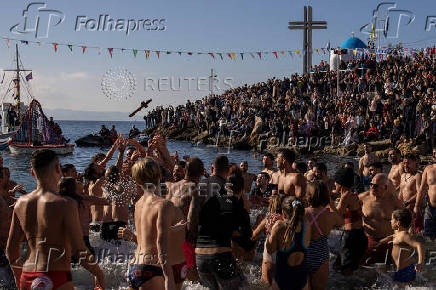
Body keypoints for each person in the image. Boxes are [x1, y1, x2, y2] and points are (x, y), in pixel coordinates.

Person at [6, 149, 105, 289]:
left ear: (32, 172)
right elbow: (79, 250)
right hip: (55, 276)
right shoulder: (65, 203)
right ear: (58, 168)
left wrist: (19, 277)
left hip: (28, 275)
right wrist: (99, 274)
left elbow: (11, 250)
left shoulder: (20, 203)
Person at [129, 157, 182, 290]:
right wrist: (168, 276)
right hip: (152, 270)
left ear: (137, 182)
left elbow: (147, 235)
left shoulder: (137, 204)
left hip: (134, 266)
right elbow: (160, 243)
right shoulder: (164, 205)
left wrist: (172, 229)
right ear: (159, 176)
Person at [195, 173, 251, 289]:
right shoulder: (237, 205)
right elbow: (247, 238)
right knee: (243, 285)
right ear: (242, 190)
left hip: (200, 257)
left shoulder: (210, 201)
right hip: (220, 257)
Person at [265, 196, 311, 290]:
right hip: (302, 281)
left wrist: (270, 231)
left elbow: (270, 250)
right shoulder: (307, 224)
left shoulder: (278, 226)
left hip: (282, 281)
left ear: (283, 212)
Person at [305, 181, 343, 290]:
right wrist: (331, 204)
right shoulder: (330, 216)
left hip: (302, 254)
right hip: (320, 256)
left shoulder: (301, 213)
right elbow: (341, 222)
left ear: (308, 195)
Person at [360, 173, 403, 265]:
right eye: (371, 184)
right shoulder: (363, 197)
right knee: (364, 269)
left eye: (375, 186)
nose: (372, 187)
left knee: (387, 270)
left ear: (385, 187)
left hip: (387, 241)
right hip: (369, 239)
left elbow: (407, 218)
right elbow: (349, 210)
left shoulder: (393, 201)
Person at [332, 167, 367, 275]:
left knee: (344, 269)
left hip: (351, 237)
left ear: (340, 184)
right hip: (359, 233)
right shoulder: (351, 194)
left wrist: (329, 202)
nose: (334, 184)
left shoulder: (346, 196)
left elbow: (337, 216)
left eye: (336, 182)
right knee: (341, 266)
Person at [382, 209, 425, 286]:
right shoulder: (398, 233)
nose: (390, 221)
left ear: (398, 223)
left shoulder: (404, 235)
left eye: (392, 219)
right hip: (402, 270)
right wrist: (379, 243)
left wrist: (420, 263)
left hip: (405, 270)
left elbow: (419, 245)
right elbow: (391, 237)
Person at [251, 195, 283, 285]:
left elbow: (253, 236)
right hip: (284, 254)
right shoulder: (287, 220)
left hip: (270, 253)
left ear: (271, 206)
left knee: (267, 284)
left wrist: (255, 225)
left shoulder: (268, 219)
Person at [415, 146, 436, 239]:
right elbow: (422, 189)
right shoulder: (428, 169)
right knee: (428, 236)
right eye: (433, 153)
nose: (434, 155)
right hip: (430, 207)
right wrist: (417, 205)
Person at [399, 154, 422, 229]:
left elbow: (419, 192)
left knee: (415, 233)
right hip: (404, 210)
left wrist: (407, 202)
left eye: (408, 163)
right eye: (404, 163)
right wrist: (398, 203)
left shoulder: (417, 175)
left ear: (415, 163)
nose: (405, 165)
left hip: (413, 210)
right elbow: (401, 192)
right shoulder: (403, 176)